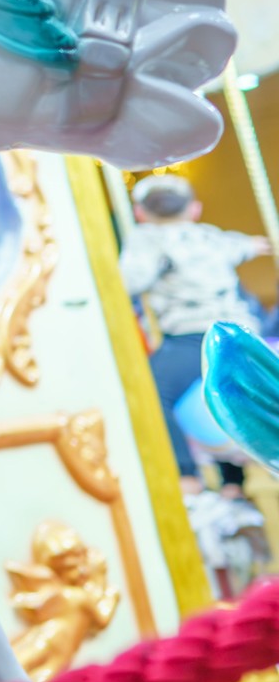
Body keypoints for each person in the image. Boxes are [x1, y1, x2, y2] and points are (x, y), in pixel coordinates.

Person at [120, 172, 273, 483]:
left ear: (140, 213)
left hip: (193, 336)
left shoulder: (146, 239)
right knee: (230, 390)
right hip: (238, 331)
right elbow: (240, 246)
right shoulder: (209, 235)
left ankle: (186, 476)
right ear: (194, 210)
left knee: (150, 391)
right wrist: (257, 245)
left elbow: (129, 281)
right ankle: (233, 481)